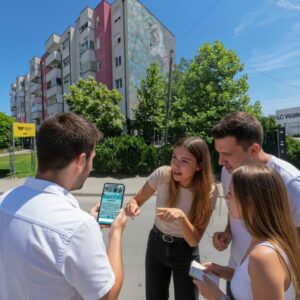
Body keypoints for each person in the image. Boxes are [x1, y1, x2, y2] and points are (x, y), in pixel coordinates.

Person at [0, 112, 126, 300]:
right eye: (92, 158)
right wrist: (116, 233)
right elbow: (108, 296)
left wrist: (87, 225)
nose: (91, 166)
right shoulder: (77, 227)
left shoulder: (5, 200)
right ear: (81, 160)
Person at [211, 111, 300, 298]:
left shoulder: (291, 183)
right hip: (237, 271)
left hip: (270, 280)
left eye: (226, 154)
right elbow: (234, 210)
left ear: (253, 150)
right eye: (219, 153)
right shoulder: (230, 171)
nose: (220, 161)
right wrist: (227, 231)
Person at [125, 136, 219, 300]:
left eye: (184, 161)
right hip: (156, 244)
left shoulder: (209, 190)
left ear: (199, 165)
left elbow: (194, 240)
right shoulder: (162, 174)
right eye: (174, 157)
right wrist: (132, 206)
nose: (175, 164)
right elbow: (136, 200)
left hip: (185, 252)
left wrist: (181, 217)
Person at [194, 164, 300, 300]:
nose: (226, 198)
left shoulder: (263, 256)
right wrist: (223, 271)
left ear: (249, 201)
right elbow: (253, 282)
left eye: (230, 193)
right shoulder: (265, 242)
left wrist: (217, 297)